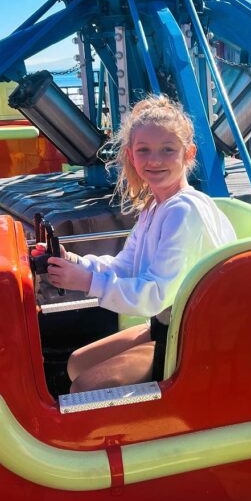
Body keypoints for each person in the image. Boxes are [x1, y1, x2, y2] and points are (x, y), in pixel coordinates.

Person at [46, 94, 236, 391]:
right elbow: (127, 265)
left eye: (167, 150)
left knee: (84, 387)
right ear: (131, 156)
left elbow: (155, 294)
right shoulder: (155, 206)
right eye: (144, 150)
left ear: (188, 154)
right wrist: (76, 263)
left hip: (196, 336)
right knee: (76, 363)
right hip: (167, 324)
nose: (154, 160)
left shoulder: (182, 210)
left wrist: (87, 282)